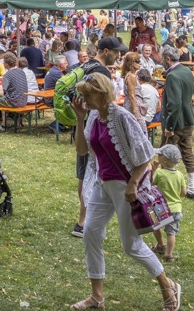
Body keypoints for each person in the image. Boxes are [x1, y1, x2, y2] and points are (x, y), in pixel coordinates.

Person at [69, 72, 180, 311]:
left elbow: (146, 154)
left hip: (126, 187)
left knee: (131, 245)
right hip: (102, 184)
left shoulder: (122, 117)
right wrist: (79, 119)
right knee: (90, 234)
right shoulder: (92, 118)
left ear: (100, 93)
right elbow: (81, 150)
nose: (84, 99)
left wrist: (133, 185)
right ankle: (97, 297)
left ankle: (167, 285)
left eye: (87, 95)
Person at [69, 36, 122, 239]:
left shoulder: (87, 65)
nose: (118, 56)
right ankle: (83, 222)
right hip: (92, 124)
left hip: (85, 121)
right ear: (106, 51)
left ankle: (85, 219)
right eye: (116, 52)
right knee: (88, 172)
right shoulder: (99, 71)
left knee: (85, 171)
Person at [159, 46, 194, 200]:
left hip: (175, 124)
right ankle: (192, 189)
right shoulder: (186, 71)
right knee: (187, 153)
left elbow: (173, 105)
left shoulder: (172, 76)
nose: (162, 61)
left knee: (164, 156)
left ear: (168, 59)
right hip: (188, 119)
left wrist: (169, 127)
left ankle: (165, 189)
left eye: (163, 58)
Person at [151, 144, 187, 263]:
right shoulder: (180, 175)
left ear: (165, 160)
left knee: (156, 226)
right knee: (171, 233)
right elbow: (183, 193)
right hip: (176, 209)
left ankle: (161, 245)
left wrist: (153, 170)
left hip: (161, 208)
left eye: (159, 155)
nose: (157, 156)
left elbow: (150, 183)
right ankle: (169, 254)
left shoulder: (160, 173)